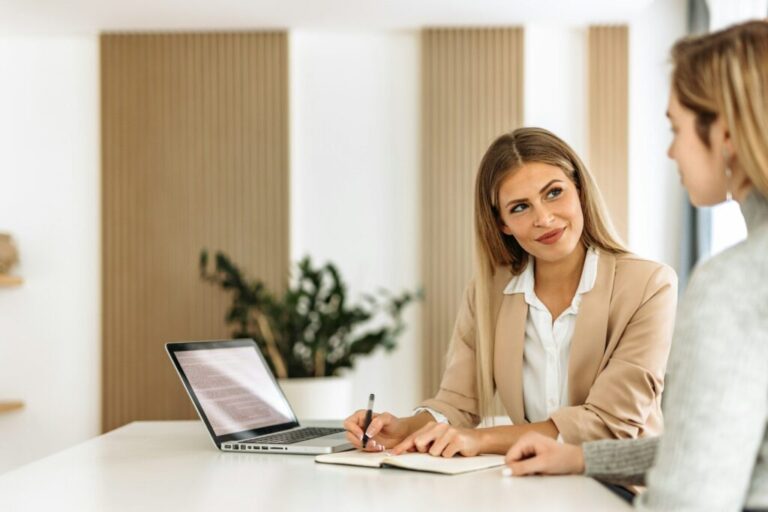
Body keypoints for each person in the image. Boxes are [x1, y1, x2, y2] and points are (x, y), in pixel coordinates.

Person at [504, 20, 768, 511]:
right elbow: (721, 446)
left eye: (677, 128)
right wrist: (581, 459)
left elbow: (689, 500)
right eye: (518, 207)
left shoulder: (731, 284)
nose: (670, 150)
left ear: (726, 135)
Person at [344, 127, 677, 460]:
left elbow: (611, 424)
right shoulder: (488, 293)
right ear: (502, 222)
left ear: (579, 190)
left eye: (554, 192)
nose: (544, 218)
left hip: (622, 492)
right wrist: (407, 427)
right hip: (529, 482)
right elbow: (457, 402)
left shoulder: (649, 285)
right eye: (520, 207)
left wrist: (483, 439)